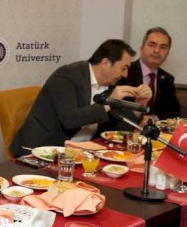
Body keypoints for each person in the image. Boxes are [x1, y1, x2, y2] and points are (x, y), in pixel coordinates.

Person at [10, 39, 152, 156]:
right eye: (123, 68)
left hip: (81, 153)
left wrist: (139, 104)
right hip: (41, 150)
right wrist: (108, 104)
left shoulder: (111, 85)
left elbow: (117, 131)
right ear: (105, 63)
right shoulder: (67, 76)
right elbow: (69, 119)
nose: (125, 75)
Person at [120, 27, 181, 120]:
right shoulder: (124, 71)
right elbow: (116, 109)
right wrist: (139, 119)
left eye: (163, 47)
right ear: (142, 48)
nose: (156, 50)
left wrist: (153, 118)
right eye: (151, 45)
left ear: (168, 53)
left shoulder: (167, 78)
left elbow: (174, 112)